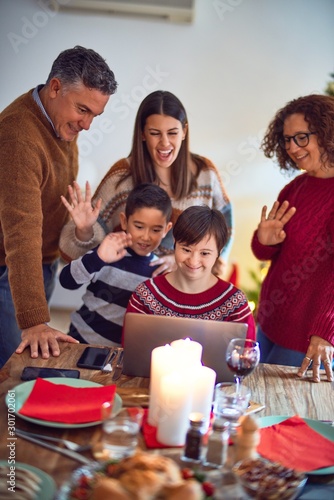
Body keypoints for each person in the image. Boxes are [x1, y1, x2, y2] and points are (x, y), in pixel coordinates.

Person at [0, 46, 118, 368]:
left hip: (40, 265)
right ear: (55, 88)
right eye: (83, 110)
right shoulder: (19, 137)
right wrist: (35, 320)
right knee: (14, 373)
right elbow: (21, 231)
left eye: (95, 114)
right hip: (9, 272)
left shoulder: (59, 121)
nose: (88, 124)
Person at [59, 90, 232, 277]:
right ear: (142, 134)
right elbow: (80, 257)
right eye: (155, 133)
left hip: (184, 294)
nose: (165, 143)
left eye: (172, 133)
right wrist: (84, 230)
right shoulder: (122, 176)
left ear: (184, 131)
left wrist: (183, 261)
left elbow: (224, 229)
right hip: (125, 294)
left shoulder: (204, 172)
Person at [251, 94, 334, 383]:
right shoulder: (296, 187)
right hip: (270, 322)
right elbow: (265, 253)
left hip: (307, 337)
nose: (292, 148)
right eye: (287, 140)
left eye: (301, 138)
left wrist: (326, 332)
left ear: (326, 133)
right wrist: (265, 240)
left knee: (285, 418)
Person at [59, 184, 172, 346]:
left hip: (117, 356)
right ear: (124, 222)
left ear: (167, 229)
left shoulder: (160, 271)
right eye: (139, 227)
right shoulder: (108, 252)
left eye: (156, 230)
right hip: (79, 341)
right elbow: (67, 281)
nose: (146, 237)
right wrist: (97, 258)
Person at [125, 205, 255, 340]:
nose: (193, 261)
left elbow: (245, 356)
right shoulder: (145, 296)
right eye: (186, 250)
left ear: (219, 251)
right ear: (175, 243)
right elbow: (132, 352)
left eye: (204, 253)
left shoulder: (235, 304)